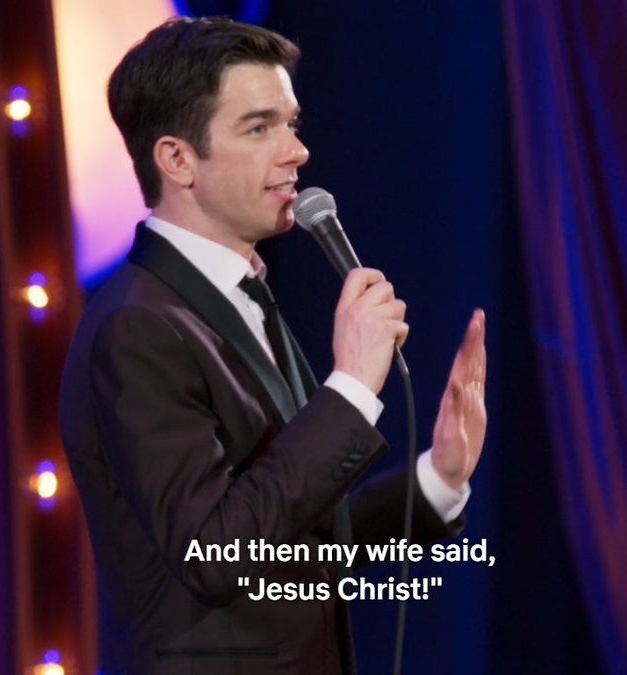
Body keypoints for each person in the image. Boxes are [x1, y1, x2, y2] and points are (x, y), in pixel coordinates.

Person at [58, 16, 487, 674]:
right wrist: (349, 388)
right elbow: (217, 553)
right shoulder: (137, 327)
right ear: (177, 159)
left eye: (291, 123)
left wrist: (439, 478)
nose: (297, 151)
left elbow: (289, 539)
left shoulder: (237, 297)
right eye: (259, 128)